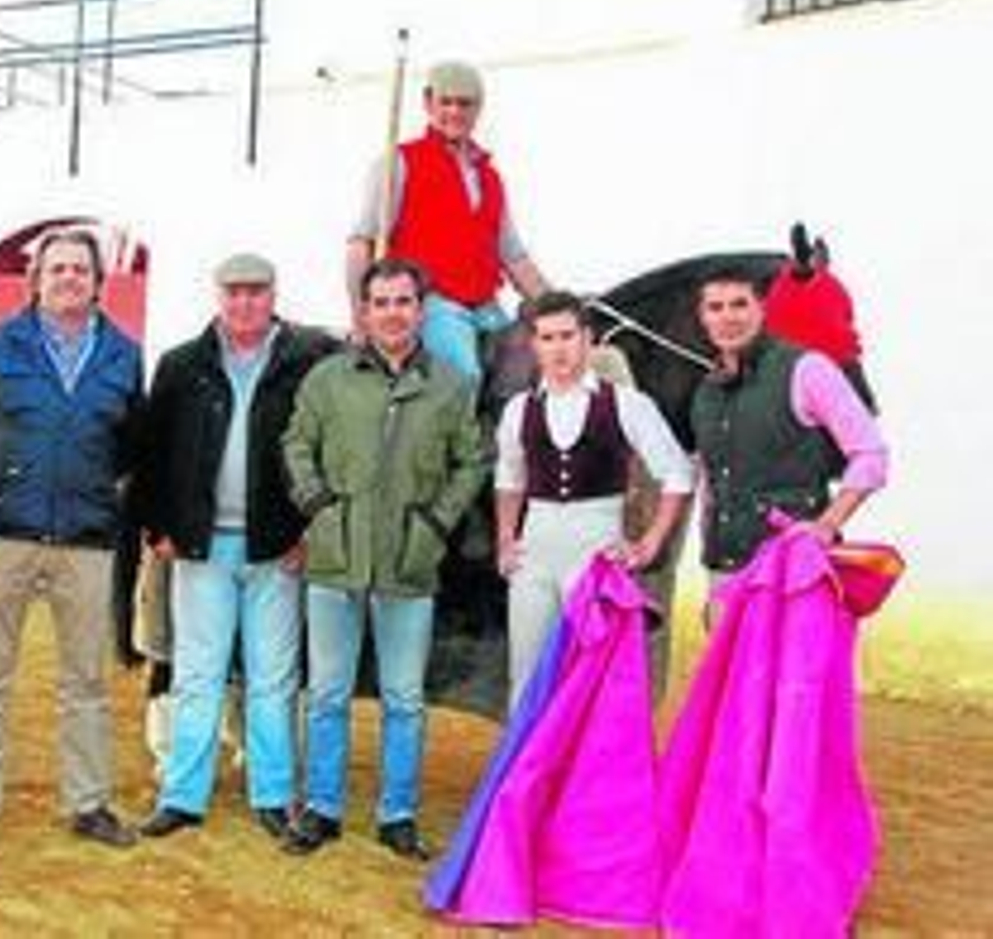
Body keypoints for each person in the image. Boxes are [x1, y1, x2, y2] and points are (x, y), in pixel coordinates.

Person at [0, 228, 144, 851]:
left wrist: (88, 490)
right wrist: (12, 485)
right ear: (36, 280)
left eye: (80, 269)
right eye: (57, 269)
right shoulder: (0, 344)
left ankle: (89, 802)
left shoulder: (124, 354)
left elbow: (129, 443)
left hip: (87, 537)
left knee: (87, 682)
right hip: (8, 533)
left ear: (98, 282)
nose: (69, 279)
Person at [281, 258, 488, 860]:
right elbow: (297, 444)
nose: (393, 313)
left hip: (408, 562)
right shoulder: (328, 379)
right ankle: (322, 808)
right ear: (364, 311)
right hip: (335, 558)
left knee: (404, 699)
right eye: (381, 302)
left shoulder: (451, 385)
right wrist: (319, 508)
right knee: (327, 694)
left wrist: (435, 523)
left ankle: (397, 814)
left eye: (403, 302)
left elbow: (471, 462)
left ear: (420, 311)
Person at [133, 253, 336, 840]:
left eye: (256, 291)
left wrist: (310, 530)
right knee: (197, 673)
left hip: (277, 546)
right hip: (201, 547)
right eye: (234, 292)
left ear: (274, 295)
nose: (244, 302)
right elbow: (152, 453)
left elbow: (328, 449)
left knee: (273, 677)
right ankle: (182, 795)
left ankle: (273, 794)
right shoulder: (181, 365)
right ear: (217, 296)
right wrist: (158, 526)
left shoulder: (308, 362)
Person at [494, 291, 694, 708]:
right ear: (534, 345)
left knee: (591, 676)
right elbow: (510, 477)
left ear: (587, 338)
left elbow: (678, 474)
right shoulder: (518, 409)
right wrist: (506, 538)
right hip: (535, 546)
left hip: (596, 544)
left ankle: (585, 757)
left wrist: (650, 542)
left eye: (567, 336)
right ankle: (525, 754)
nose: (558, 348)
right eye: (547, 338)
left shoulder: (627, 403)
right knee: (526, 676)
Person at [346, 60, 549, 388]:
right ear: (428, 103)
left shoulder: (490, 177)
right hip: (430, 304)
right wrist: (361, 318)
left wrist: (557, 306)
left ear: (478, 108)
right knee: (463, 379)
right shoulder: (398, 163)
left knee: (540, 362)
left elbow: (515, 258)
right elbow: (361, 243)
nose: (455, 111)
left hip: (485, 307)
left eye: (465, 103)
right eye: (446, 102)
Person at [691, 264, 889, 581]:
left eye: (740, 304)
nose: (728, 317)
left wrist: (828, 524)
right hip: (724, 574)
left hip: (794, 569)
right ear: (703, 317)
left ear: (762, 309)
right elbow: (711, 485)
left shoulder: (807, 369)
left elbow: (871, 453)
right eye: (715, 307)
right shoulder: (706, 391)